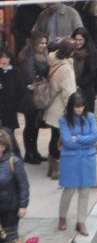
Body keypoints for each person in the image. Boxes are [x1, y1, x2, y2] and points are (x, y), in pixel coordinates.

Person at [57, 91, 97, 236]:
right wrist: (84, 141)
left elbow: (95, 136)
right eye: (77, 107)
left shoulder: (90, 117)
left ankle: (81, 222)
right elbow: (67, 141)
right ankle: (62, 217)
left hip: (87, 159)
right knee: (69, 190)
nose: (80, 109)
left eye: (81, 106)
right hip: (71, 160)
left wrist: (78, 138)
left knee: (85, 192)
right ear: (71, 107)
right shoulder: (63, 119)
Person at [44, 38, 77, 181]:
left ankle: (52, 167)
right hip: (61, 108)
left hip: (52, 107)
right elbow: (68, 93)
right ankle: (57, 169)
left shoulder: (54, 61)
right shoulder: (66, 68)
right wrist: (71, 110)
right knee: (60, 138)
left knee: (54, 137)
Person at [17, 32, 48, 164]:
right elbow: (29, 75)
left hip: (35, 94)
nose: (44, 45)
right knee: (31, 125)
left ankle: (33, 152)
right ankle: (30, 153)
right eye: (42, 43)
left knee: (33, 125)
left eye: (45, 43)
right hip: (29, 96)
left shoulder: (41, 55)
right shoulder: (29, 56)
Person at [0, 128, 29, 238]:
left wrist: (23, 205)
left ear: (3, 147)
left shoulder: (14, 162)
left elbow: (23, 185)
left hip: (9, 208)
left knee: (9, 239)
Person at [71, 28, 97, 114]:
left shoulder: (91, 53)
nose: (78, 42)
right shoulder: (69, 51)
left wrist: (79, 83)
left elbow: (94, 74)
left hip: (86, 91)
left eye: (80, 40)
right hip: (71, 89)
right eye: (76, 39)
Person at [0, 49, 21, 135]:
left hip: (10, 109)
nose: (4, 59)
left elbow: (20, 90)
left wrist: (16, 104)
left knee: (9, 134)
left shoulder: (15, 71)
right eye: (1, 57)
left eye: (7, 57)